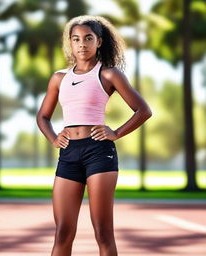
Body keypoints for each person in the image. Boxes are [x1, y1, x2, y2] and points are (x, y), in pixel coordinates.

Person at [36, 15, 152, 256]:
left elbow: (144, 110)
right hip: (68, 154)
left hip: (99, 152)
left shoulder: (109, 74)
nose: (82, 44)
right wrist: (53, 138)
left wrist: (116, 132)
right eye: (76, 39)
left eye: (88, 38)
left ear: (99, 41)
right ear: (70, 43)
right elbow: (42, 117)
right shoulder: (59, 78)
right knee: (62, 232)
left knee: (103, 232)